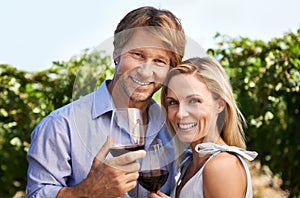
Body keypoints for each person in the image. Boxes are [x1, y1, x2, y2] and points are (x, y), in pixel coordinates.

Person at [26, 6, 186, 198]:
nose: (145, 71)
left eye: (159, 61)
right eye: (137, 55)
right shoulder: (60, 125)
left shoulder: (174, 127)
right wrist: (86, 192)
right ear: (116, 53)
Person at [150, 57, 258, 198]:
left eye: (194, 101)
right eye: (173, 102)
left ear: (219, 105)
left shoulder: (222, 166)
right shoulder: (189, 164)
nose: (180, 114)